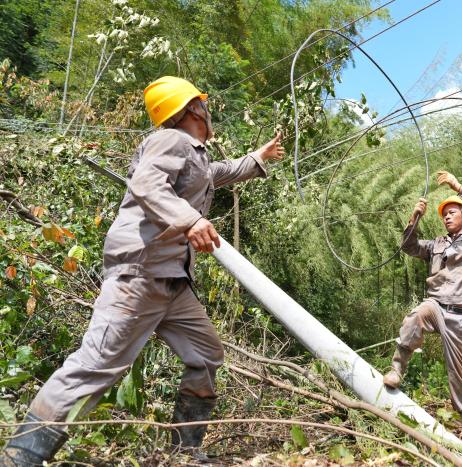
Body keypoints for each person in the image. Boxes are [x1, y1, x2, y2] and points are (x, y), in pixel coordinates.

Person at [0, 76, 285, 465]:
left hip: (171, 282)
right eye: (203, 102)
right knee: (94, 367)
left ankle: (186, 453)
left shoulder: (195, 154)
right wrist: (190, 220)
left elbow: (217, 172)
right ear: (191, 109)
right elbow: (147, 183)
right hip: (139, 275)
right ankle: (19, 458)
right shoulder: (170, 141)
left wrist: (258, 158)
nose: (208, 107)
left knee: (205, 353)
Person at [383, 170, 462, 421]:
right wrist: (414, 218)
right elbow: (409, 247)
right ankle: (397, 369)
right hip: (436, 306)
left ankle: (461, 419)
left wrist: (458, 187)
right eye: (443, 214)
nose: (446, 217)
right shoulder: (437, 244)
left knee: (459, 375)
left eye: (451, 212)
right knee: (416, 317)